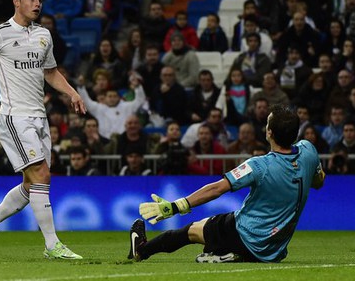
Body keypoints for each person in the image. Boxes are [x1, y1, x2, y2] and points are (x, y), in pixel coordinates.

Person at [0, 0, 87, 260]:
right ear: (16, 2)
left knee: (32, 185)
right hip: (15, 117)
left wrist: (72, 92)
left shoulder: (43, 35)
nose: (37, 3)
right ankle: (52, 245)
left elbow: (50, 72)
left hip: (39, 117)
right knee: (42, 175)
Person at [129, 104, 325, 263]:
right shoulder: (308, 151)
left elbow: (217, 189)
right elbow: (318, 182)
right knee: (211, 228)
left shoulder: (259, 165)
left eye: (267, 123)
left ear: (269, 132)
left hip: (244, 234)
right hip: (273, 249)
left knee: (191, 231)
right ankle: (229, 252)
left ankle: (141, 250)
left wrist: (176, 206)